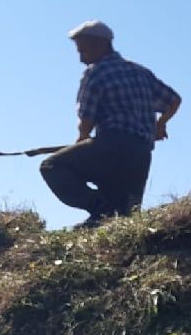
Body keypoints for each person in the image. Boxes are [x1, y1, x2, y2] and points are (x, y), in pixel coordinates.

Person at [40, 20, 181, 227]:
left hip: (112, 145)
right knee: (123, 216)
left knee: (52, 166)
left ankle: (98, 206)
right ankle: (104, 213)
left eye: (83, 51)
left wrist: (80, 143)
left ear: (100, 45)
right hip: (140, 154)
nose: (81, 59)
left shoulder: (96, 72)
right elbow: (174, 100)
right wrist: (159, 125)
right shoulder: (141, 72)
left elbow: (86, 120)